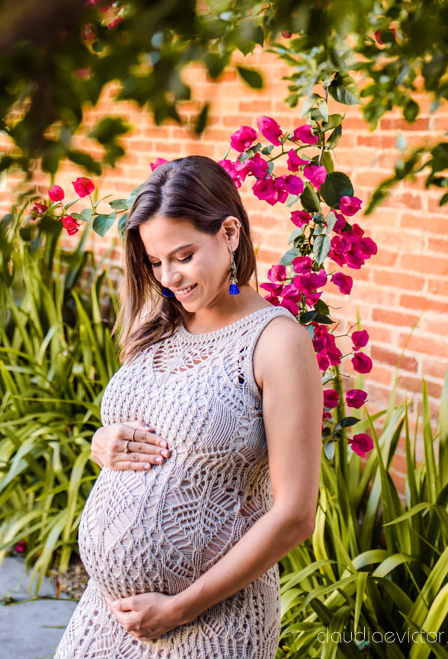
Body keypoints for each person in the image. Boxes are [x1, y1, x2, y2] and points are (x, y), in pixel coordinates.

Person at [54, 154, 323, 659]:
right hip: (107, 612)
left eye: (182, 256)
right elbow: (147, 430)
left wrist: (180, 608)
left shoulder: (276, 343)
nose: (169, 278)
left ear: (229, 234)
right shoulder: (158, 324)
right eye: (155, 263)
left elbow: (295, 516)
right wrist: (102, 442)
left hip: (211, 620)